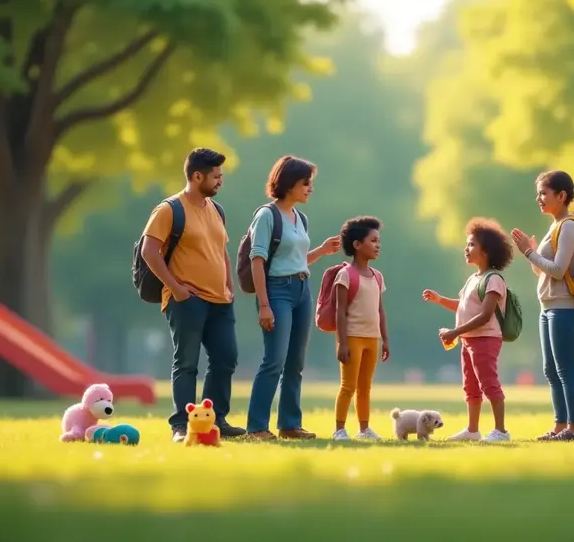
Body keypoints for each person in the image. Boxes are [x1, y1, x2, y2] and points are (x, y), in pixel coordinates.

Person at [140, 147, 246, 442]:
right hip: (187, 300)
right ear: (197, 176)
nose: (220, 181)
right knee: (186, 362)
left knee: (226, 358)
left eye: (221, 176)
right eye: (216, 176)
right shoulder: (169, 209)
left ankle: (216, 420)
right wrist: (175, 288)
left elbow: (221, 249)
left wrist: (229, 286)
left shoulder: (216, 210)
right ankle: (181, 425)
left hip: (220, 301)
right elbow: (149, 250)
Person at [244, 155, 341, 441]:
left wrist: (321, 251)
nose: (310, 188)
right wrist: (264, 304)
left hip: (301, 290)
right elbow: (258, 260)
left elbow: (295, 261)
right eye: (305, 183)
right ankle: (257, 427)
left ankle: (289, 424)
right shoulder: (266, 215)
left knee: (295, 362)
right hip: (276, 291)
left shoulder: (301, 217)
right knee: (274, 359)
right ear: (288, 184)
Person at [510, 170, 574, 441]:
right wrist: (533, 256)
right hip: (549, 305)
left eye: (544, 193)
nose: (539, 199)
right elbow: (544, 272)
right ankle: (560, 425)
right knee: (551, 370)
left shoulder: (568, 226)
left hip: (565, 306)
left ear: (562, 196)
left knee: (566, 368)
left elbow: (557, 270)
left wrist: (528, 252)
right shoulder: (555, 226)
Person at [423, 218, 514, 442]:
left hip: (485, 338)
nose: (467, 248)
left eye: (472, 244)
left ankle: (500, 431)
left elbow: (484, 315)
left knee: (489, 383)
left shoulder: (493, 280)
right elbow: (463, 306)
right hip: (469, 339)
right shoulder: (474, 279)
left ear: (487, 251)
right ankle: (472, 430)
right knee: (471, 386)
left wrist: (454, 332)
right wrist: (440, 300)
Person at [331, 216, 390, 441]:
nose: (378, 245)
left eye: (378, 241)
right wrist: (342, 342)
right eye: (373, 241)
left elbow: (380, 311)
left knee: (365, 388)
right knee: (348, 386)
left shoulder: (377, 276)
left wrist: (385, 339)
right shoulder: (346, 275)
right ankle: (339, 429)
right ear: (357, 245)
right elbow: (340, 311)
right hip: (353, 338)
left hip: (372, 338)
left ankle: (364, 429)